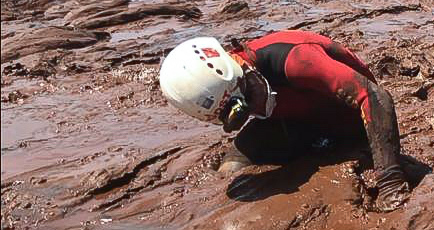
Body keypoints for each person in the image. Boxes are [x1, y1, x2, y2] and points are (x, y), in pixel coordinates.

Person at [158, 30, 411, 211]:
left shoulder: (294, 58)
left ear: (242, 70)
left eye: (249, 96)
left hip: (348, 121)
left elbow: (375, 97)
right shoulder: (251, 91)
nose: (257, 109)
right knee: (232, 167)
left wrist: (390, 181)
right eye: (239, 116)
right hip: (300, 119)